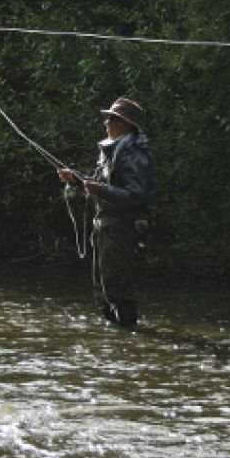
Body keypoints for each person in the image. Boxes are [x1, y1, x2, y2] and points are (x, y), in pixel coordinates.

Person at [57, 96, 157, 329]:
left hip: (123, 226)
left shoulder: (134, 153)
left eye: (112, 119)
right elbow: (98, 183)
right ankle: (115, 338)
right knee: (101, 290)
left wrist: (101, 190)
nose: (107, 122)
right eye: (107, 118)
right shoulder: (111, 151)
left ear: (127, 124)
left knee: (117, 288)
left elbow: (136, 195)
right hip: (105, 224)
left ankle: (129, 334)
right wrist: (76, 179)